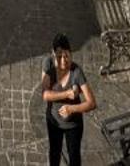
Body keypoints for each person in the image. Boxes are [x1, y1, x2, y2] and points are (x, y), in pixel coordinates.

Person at [40, 33, 94, 166]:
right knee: (54, 153)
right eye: (59, 56)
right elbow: (45, 94)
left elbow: (91, 103)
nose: (63, 61)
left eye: (67, 56)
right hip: (54, 122)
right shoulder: (48, 65)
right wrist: (67, 94)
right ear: (53, 55)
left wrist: (72, 108)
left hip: (73, 125)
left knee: (74, 157)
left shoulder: (76, 72)